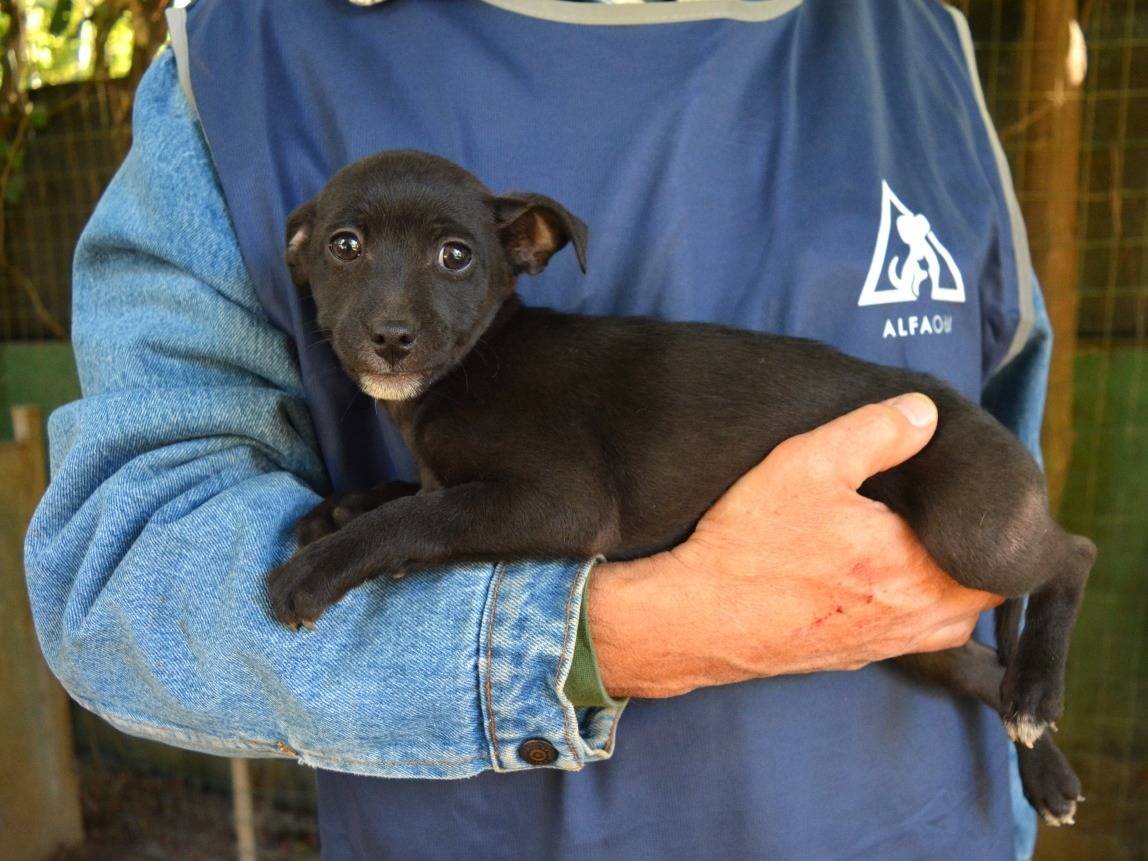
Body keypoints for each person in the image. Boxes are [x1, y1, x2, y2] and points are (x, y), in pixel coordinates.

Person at [26, 1, 1052, 858]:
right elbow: (117, 577)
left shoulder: (916, 43)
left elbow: (1005, 489)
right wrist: (626, 632)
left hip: (918, 827)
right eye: (341, 248)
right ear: (308, 248)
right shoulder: (251, 56)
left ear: (522, 247)